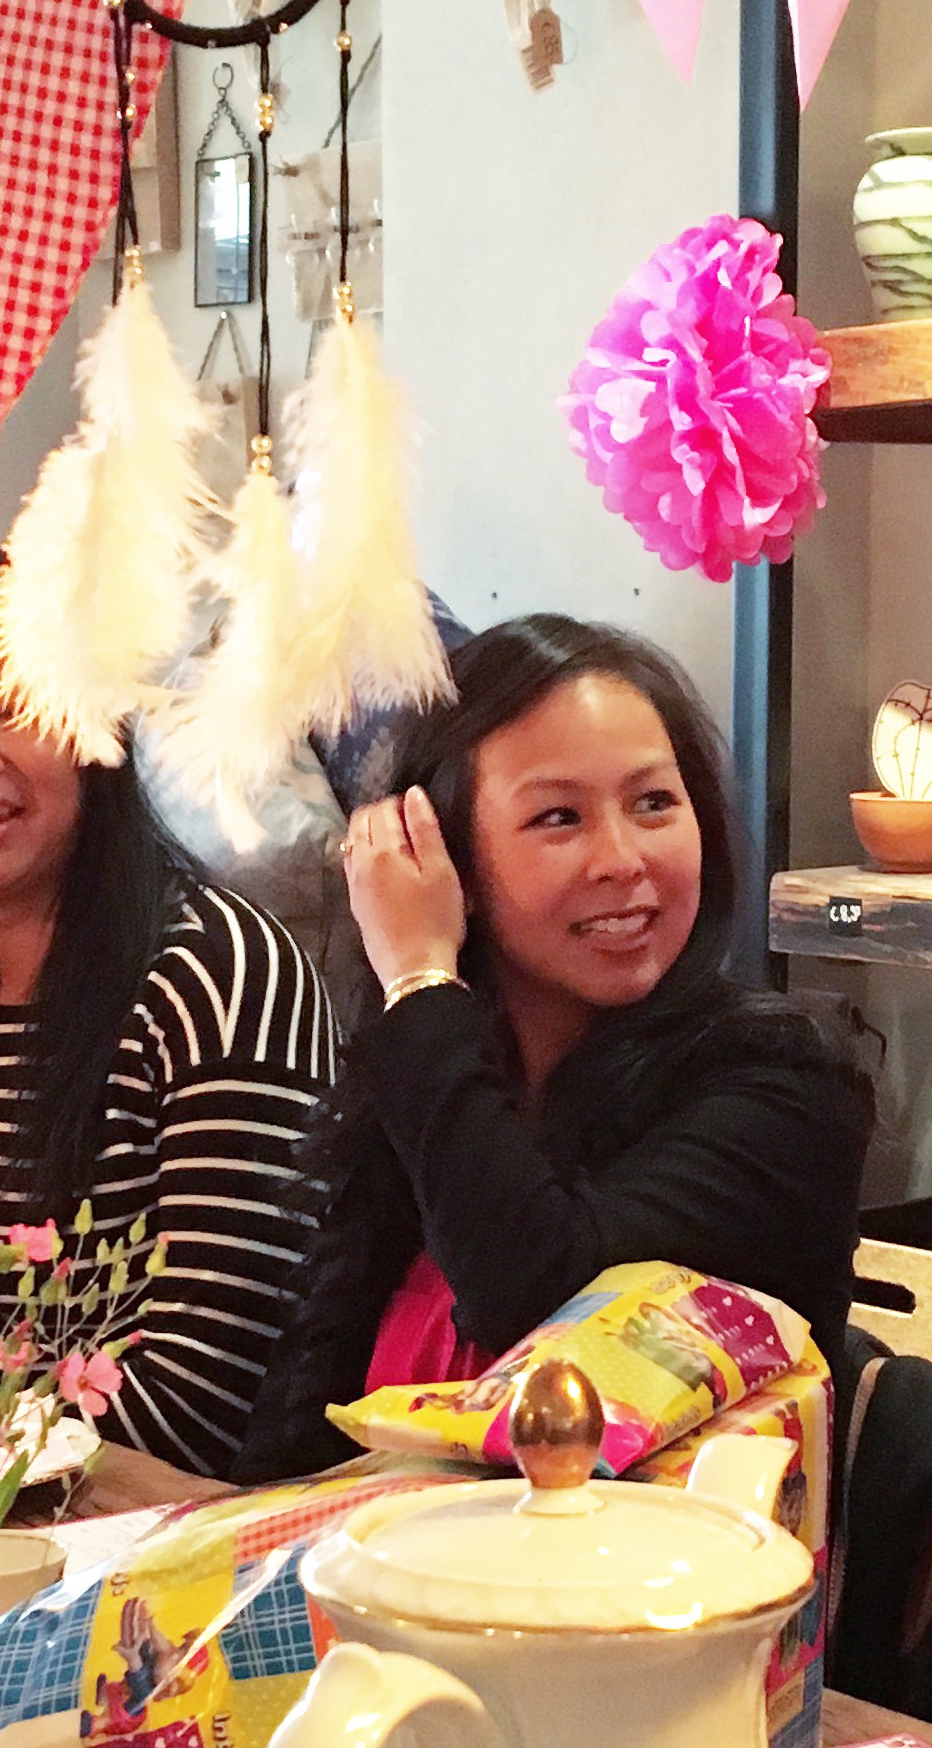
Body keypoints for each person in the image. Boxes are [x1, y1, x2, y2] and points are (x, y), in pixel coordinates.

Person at [240, 615, 872, 1479]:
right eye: (559, 817)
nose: (622, 859)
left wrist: (420, 976)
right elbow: (299, 1435)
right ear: (448, 859)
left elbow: (539, 1310)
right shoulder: (429, 1077)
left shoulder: (784, 1085)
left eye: (654, 803)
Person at [0, 556, 339, 1479]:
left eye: (17, 708)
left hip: (170, 1529)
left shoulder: (218, 974)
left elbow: (201, 1403)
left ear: (103, 731)